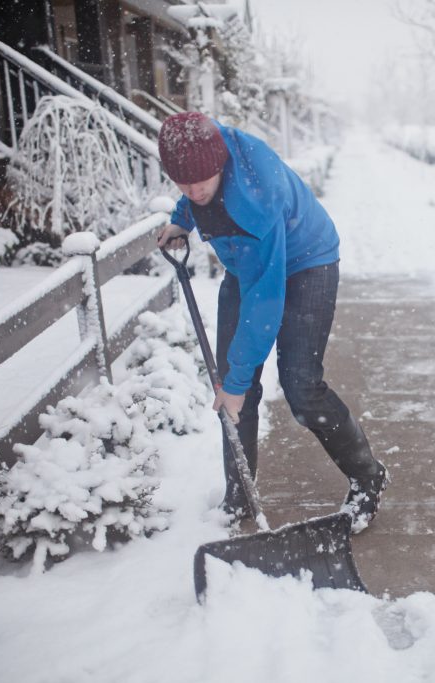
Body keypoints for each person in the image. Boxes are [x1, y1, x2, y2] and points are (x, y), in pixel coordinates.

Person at [155, 112, 389, 533]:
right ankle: (239, 495)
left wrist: (239, 381)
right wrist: (182, 216)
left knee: (300, 386)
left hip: (307, 262)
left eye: (201, 181)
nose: (193, 190)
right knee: (229, 386)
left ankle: (368, 477)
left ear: (220, 163)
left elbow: (265, 302)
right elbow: (194, 192)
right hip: (248, 265)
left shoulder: (256, 199)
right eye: (181, 183)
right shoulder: (201, 150)